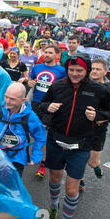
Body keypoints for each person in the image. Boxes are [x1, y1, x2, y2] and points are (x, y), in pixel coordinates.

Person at [39, 53, 110, 219]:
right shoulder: (57, 86)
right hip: (56, 142)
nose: (75, 73)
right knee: (55, 179)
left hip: (81, 146)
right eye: (71, 70)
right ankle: (54, 206)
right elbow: (40, 105)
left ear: (87, 71)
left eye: (79, 70)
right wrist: (48, 107)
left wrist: (99, 116)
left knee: (72, 190)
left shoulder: (99, 90)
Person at [0, 82, 47, 177]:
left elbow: (40, 136)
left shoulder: (30, 117)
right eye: (6, 97)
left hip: (17, 159)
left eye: (12, 99)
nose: (7, 101)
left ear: (23, 101)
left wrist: (36, 156)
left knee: (11, 189)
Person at [79, 58, 110, 190]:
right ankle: (80, 181)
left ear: (105, 72)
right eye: (93, 69)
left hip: (98, 132)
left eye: (98, 69)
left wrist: (102, 118)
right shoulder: (82, 85)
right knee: (79, 158)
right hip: (81, 129)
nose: (94, 71)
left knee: (92, 161)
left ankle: (97, 166)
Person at [28, 45, 67, 177]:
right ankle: (37, 153)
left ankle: (43, 163)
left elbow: (64, 88)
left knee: (43, 132)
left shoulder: (61, 71)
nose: (47, 55)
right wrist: (30, 83)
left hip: (50, 105)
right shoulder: (37, 67)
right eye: (46, 52)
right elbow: (30, 80)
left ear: (56, 55)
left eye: (50, 53)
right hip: (36, 103)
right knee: (34, 132)